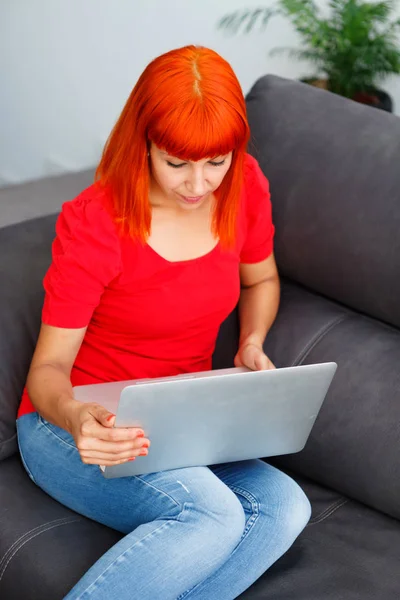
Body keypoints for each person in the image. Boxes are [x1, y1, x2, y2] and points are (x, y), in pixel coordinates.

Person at [16, 45, 311, 600]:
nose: (199, 185)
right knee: (214, 515)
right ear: (144, 143)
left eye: (215, 162)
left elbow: (261, 281)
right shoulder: (97, 223)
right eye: (177, 162)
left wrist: (251, 342)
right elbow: (48, 368)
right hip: (74, 425)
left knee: (286, 508)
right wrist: (78, 417)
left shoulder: (243, 186)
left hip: (182, 422)